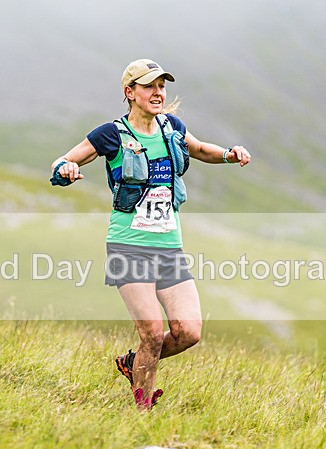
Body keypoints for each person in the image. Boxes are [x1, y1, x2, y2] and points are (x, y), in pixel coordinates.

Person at [50, 59, 251, 411]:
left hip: (169, 248)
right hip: (129, 246)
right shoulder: (110, 134)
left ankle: (132, 363)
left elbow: (201, 149)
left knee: (189, 332)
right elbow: (63, 161)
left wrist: (229, 155)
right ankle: (142, 410)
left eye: (161, 86)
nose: (158, 93)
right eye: (149, 86)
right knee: (152, 335)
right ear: (130, 93)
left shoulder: (171, 127)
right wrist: (65, 169)